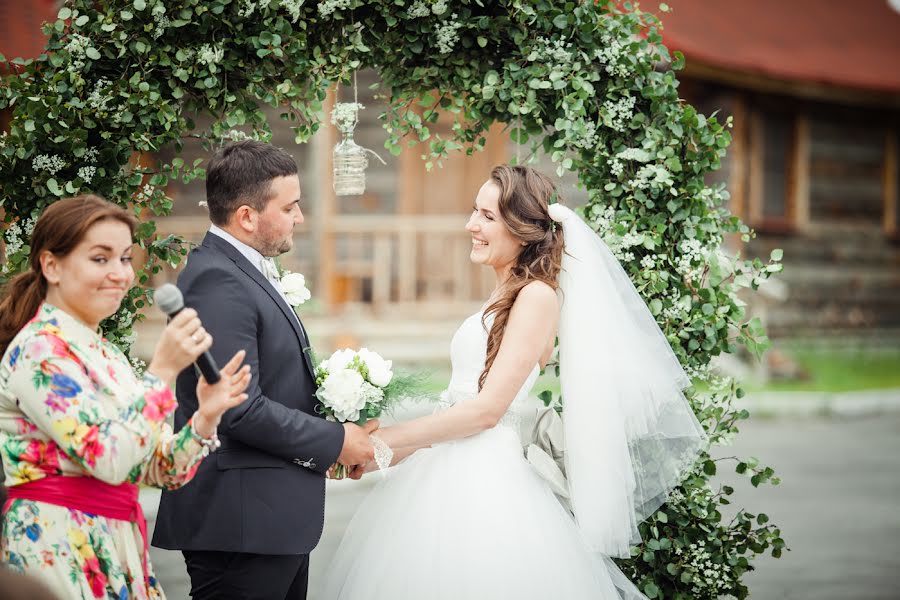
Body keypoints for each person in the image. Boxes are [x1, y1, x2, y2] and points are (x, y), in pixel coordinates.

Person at [319, 165, 707, 599]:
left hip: (486, 485)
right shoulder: (504, 293)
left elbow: (487, 411)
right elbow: (456, 408)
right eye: (474, 212)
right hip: (449, 470)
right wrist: (380, 455)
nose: (471, 225)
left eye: (487, 216)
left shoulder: (536, 296)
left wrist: (381, 441)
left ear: (522, 231)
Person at [152, 140, 377, 600]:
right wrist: (336, 440)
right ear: (247, 217)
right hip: (240, 525)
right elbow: (236, 407)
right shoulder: (219, 280)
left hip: (265, 519)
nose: (300, 218)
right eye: (290, 207)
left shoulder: (240, 269)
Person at [0, 195, 252, 600]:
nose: (119, 273)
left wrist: (206, 416)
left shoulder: (105, 352)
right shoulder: (39, 351)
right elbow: (109, 458)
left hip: (116, 541)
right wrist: (163, 372)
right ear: (51, 266)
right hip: (58, 542)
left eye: (124, 259)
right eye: (100, 259)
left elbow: (157, 470)